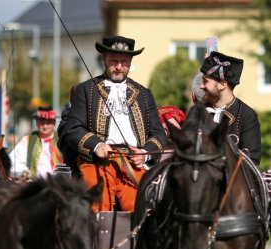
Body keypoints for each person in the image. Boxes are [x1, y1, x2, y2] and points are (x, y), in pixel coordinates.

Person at [59, 35, 167, 212]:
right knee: (98, 205)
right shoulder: (85, 90)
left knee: (142, 207)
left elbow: (158, 134)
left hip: (133, 161)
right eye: (113, 61)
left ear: (130, 62)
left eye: (124, 62)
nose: (118, 67)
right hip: (97, 160)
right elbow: (73, 129)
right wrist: (96, 145)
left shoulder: (144, 94)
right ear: (104, 59)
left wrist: (145, 153)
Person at [199, 51, 262, 165]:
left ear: (222, 85)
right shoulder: (199, 111)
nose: (201, 86)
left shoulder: (247, 115)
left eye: (205, 81)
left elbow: (251, 162)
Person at [10, 106, 63, 179]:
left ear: (54, 123)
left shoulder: (62, 140)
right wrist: (23, 172)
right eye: (42, 122)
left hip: (58, 184)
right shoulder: (27, 140)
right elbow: (13, 161)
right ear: (37, 123)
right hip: (34, 185)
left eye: (48, 123)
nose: (45, 126)